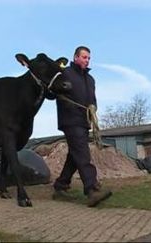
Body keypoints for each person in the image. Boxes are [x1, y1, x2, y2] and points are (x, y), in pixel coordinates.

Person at [52, 46, 112, 207]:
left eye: (89, 58)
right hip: (70, 120)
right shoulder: (65, 73)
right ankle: (91, 189)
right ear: (75, 57)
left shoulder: (90, 79)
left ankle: (60, 185)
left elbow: (93, 100)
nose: (87, 60)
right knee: (83, 153)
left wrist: (93, 108)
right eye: (84, 57)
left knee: (75, 155)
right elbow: (53, 91)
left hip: (84, 122)